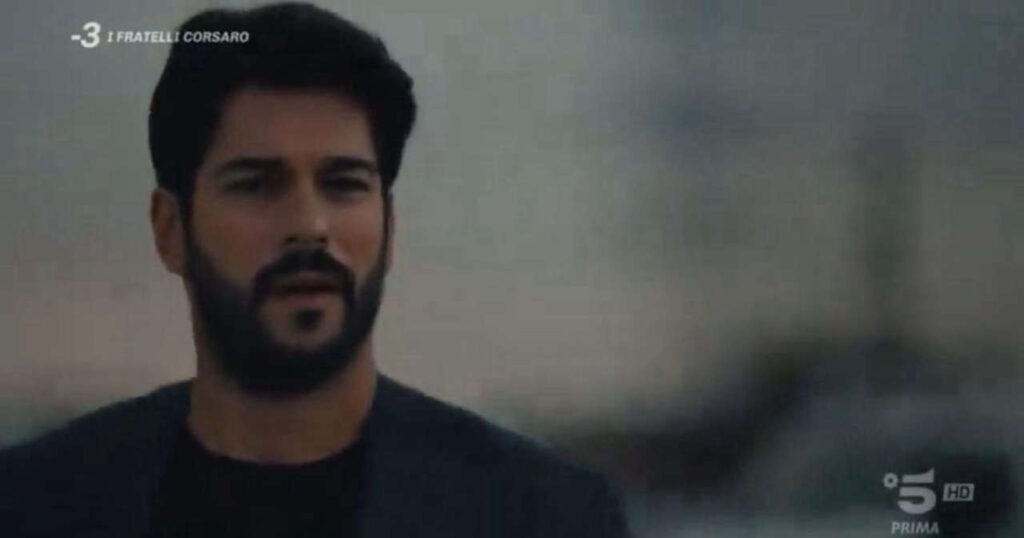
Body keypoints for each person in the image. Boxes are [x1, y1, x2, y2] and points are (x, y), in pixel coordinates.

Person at [0, 3, 629, 537]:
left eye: (344, 183)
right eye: (256, 184)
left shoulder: (543, 515)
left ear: (389, 226)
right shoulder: (35, 506)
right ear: (171, 230)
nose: (309, 224)